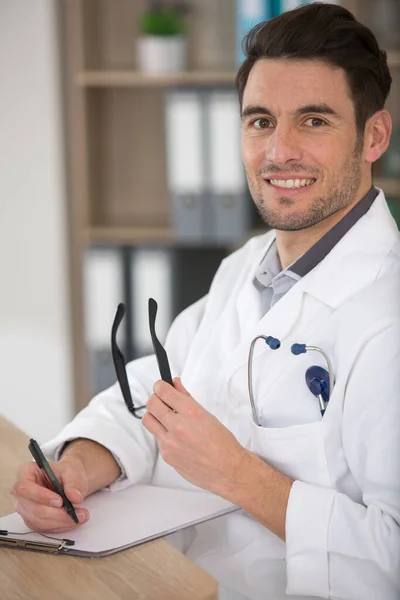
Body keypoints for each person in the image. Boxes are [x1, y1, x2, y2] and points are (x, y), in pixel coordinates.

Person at [11, 3, 400, 599]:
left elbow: (392, 554)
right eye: (260, 121)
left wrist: (239, 476)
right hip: (174, 578)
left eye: (314, 121)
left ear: (374, 135)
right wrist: (78, 469)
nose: (279, 151)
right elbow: (155, 396)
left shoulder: (387, 317)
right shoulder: (246, 269)